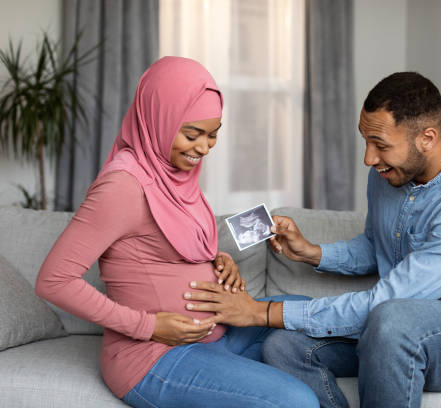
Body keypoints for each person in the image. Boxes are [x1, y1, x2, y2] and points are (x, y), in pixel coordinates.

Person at [184, 72, 441, 408]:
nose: (369, 158)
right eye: (366, 141)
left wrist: (261, 312)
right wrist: (312, 253)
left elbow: (386, 301)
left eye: (381, 145)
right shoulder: (389, 175)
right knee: (283, 347)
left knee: (392, 321)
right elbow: (377, 246)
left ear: (427, 138)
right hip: (391, 331)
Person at [35, 56, 318, 408]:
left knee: (312, 314)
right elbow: (54, 280)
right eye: (192, 134)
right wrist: (147, 326)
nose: (203, 148)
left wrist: (219, 260)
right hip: (155, 356)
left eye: (213, 135)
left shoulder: (176, 174)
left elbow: (172, 244)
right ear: (160, 119)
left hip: (219, 334)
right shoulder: (122, 186)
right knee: (295, 400)